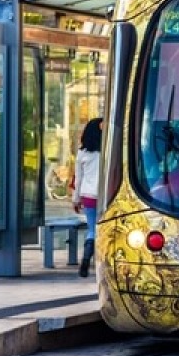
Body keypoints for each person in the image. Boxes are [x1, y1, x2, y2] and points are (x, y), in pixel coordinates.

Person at [72, 118, 102, 277]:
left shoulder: (82, 153)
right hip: (105, 195)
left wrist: (75, 199)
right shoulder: (107, 152)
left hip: (88, 195)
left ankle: (86, 257)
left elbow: (78, 178)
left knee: (92, 228)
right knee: (102, 228)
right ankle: (98, 261)